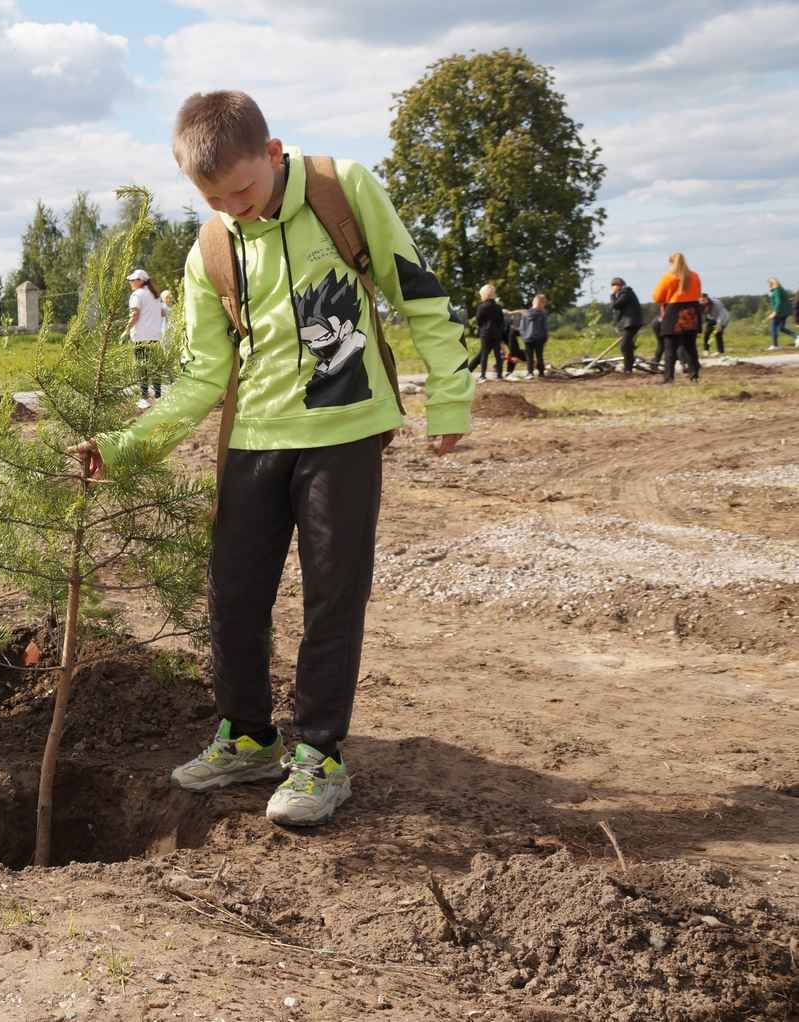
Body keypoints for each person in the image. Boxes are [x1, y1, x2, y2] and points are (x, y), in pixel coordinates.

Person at [70, 91, 472, 827]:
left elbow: (414, 289)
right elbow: (200, 376)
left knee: (331, 596)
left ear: (273, 152)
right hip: (252, 440)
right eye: (215, 199)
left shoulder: (341, 189)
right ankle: (248, 735)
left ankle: (319, 754)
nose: (237, 209)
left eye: (244, 190)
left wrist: (449, 397)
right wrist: (127, 446)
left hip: (343, 434)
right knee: (234, 594)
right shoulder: (210, 246)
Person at [652, 253, 702, 383]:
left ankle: (669, 378)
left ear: (671, 263)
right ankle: (694, 375)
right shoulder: (695, 276)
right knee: (690, 346)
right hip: (692, 311)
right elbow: (698, 294)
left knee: (670, 348)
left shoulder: (669, 277)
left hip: (674, 313)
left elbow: (657, 297)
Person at [126, 268, 166, 408]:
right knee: (155, 367)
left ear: (140, 281)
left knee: (142, 367)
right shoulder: (156, 296)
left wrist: (126, 330)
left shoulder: (137, 295)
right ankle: (159, 396)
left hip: (141, 337)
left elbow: (135, 315)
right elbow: (162, 313)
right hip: (155, 336)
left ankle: (144, 399)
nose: (130, 282)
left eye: (132, 280)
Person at [468, 284, 506, 381]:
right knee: (498, 354)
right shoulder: (498, 307)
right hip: (497, 333)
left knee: (484, 354)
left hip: (486, 333)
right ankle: (499, 375)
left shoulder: (481, 307)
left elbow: (479, 320)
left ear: (483, 295)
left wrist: (482, 329)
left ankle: (483, 375)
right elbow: (501, 321)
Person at [608, 277, 643, 373]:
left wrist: (612, 295)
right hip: (630, 322)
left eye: (613, 286)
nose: (612, 288)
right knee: (628, 345)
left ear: (618, 285)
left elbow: (615, 305)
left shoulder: (625, 292)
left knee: (624, 345)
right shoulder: (625, 293)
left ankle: (628, 369)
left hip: (631, 323)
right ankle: (629, 367)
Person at [515, 294, 549, 380]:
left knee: (529, 356)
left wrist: (524, 336)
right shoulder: (542, 314)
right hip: (539, 338)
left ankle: (530, 373)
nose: (544, 305)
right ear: (541, 303)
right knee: (539, 356)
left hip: (527, 338)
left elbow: (521, 327)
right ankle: (541, 373)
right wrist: (545, 337)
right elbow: (544, 327)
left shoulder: (525, 313)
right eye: (544, 303)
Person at [766, 277, 796, 350]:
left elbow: (778, 302)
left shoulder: (777, 290)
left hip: (780, 312)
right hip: (784, 312)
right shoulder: (780, 289)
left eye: (769, 283)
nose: (768, 285)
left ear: (771, 284)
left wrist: (775, 313)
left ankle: (775, 345)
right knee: (781, 328)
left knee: (773, 327)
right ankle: (797, 336)